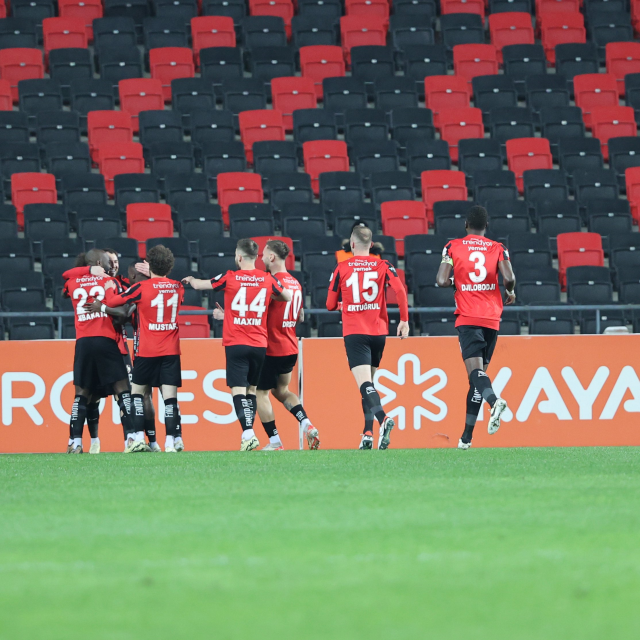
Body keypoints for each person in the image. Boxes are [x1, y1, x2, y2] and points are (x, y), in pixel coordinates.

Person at [183, 238, 292, 452]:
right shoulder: (267, 278)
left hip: (237, 343)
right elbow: (286, 296)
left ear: (239, 257)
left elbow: (200, 284)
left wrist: (190, 279)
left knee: (237, 391)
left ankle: (248, 434)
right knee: (251, 390)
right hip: (260, 344)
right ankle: (254, 435)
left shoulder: (229, 277)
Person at [213, 240, 320, 451]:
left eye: (264, 254)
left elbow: (255, 311)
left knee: (259, 393)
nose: (260, 258)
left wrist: (225, 315)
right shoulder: (295, 283)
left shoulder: (270, 282)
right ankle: (307, 424)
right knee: (282, 391)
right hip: (290, 346)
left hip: (270, 347)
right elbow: (300, 316)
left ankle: (275, 441)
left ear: (272, 257)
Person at [435, 205, 516, 450]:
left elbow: (440, 281)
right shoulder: (498, 248)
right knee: (479, 379)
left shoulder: (453, 246)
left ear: (466, 226)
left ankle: (495, 401)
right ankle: (466, 438)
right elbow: (509, 277)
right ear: (486, 226)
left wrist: (454, 281)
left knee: (475, 376)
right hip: (492, 318)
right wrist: (509, 291)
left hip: (468, 317)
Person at [326, 224, 410, 450]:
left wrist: (345, 303)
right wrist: (404, 320)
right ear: (371, 245)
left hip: (355, 332)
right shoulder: (384, 264)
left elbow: (329, 304)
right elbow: (400, 290)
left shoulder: (341, 268)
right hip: (378, 332)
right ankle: (367, 434)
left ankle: (383, 420)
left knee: (364, 385)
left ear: (352, 244)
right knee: (368, 385)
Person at [104, 245, 185, 453]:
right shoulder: (178, 287)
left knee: (138, 394)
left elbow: (113, 301)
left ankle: (138, 438)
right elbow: (166, 288)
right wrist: (157, 272)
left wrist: (109, 284)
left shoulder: (141, 288)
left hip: (146, 351)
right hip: (171, 350)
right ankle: (171, 442)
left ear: (149, 267)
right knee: (170, 399)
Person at [62, 249, 137, 453]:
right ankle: (131, 438)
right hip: (105, 339)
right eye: (104, 263)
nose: (107, 268)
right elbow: (118, 309)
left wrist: (85, 271)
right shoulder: (108, 283)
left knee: (81, 395)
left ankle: (75, 442)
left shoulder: (72, 282)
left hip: (83, 342)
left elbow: (66, 276)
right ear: (97, 263)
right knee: (123, 391)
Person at [87, 261, 161, 452]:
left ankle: (138, 439)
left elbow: (124, 313)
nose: (127, 279)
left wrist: (103, 306)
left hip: (141, 348)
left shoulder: (134, 289)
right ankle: (153, 441)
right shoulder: (154, 288)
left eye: (129, 275)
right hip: (160, 346)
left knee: (137, 394)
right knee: (150, 396)